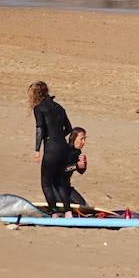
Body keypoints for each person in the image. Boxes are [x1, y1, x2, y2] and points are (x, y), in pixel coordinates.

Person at [29, 81, 75, 217]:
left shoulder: (39, 108)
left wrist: (37, 149)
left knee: (46, 182)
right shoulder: (59, 107)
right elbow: (69, 128)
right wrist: (59, 137)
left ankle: (54, 213)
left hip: (51, 148)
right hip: (63, 147)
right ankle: (68, 213)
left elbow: (40, 129)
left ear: (37, 94)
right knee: (60, 181)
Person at [64, 127, 89, 208]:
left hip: (67, 187)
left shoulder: (77, 152)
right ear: (74, 138)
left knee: (85, 208)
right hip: (56, 189)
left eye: (84, 139)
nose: (83, 142)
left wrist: (84, 163)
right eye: (81, 139)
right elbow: (61, 169)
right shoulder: (64, 150)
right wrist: (77, 165)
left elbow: (81, 171)